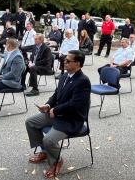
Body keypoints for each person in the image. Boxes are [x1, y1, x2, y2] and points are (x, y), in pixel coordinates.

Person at [25, 50, 91, 178]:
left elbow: (74, 104)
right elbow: (56, 95)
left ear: (77, 64)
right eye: (64, 60)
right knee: (30, 122)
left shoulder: (83, 81)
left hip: (71, 119)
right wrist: (48, 105)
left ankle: (57, 161)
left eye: (68, 61)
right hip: (58, 114)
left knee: (48, 139)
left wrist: (55, 110)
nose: (64, 62)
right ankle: (45, 151)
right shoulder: (65, 76)